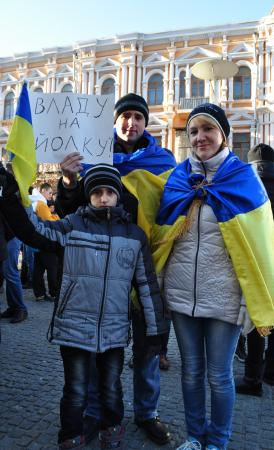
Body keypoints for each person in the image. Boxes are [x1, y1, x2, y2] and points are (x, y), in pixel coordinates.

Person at [152, 103, 274, 450]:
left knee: (219, 375)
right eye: (194, 131)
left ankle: (218, 441)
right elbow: (160, 232)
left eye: (208, 129)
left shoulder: (244, 180)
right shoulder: (177, 179)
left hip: (226, 297)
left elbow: (262, 247)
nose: (200, 137)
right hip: (183, 296)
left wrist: (252, 298)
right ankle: (195, 437)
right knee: (191, 373)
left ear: (223, 135)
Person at [7, 163, 167, 450]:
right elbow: (33, 231)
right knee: (76, 390)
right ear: (89, 196)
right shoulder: (72, 226)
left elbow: (147, 285)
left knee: (111, 388)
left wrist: (156, 333)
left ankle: (111, 431)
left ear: (118, 195)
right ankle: (70, 436)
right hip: (73, 329)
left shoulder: (134, 235)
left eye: (109, 192)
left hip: (114, 331)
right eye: (96, 192)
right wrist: (10, 195)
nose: (103, 197)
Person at [55, 93, 175, 445]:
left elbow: (173, 210)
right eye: (126, 116)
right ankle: (95, 414)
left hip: (144, 270)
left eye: (139, 117)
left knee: (147, 349)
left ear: (146, 123)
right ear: (115, 120)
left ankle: (147, 412)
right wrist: (68, 182)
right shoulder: (90, 158)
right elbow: (69, 213)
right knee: (95, 349)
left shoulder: (163, 161)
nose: (131, 123)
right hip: (98, 278)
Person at [236, 143, 274, 396]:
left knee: (256, 316)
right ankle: (271, 373)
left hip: (253, 252)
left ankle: (252, 378)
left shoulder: (247, 185)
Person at [0, 164, 56, 328]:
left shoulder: (12, 186)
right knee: (7, 272)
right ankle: (13, 306)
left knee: (10, 272)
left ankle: (20, 308)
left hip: (11, 235)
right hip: (7, 234)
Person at [32, 183, 59, 302]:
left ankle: (39, 294)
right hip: (46, 240)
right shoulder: (41, 204)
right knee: (52, 266)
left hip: (38, 240)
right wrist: (57, 217)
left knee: (38, 267)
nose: (51, 195)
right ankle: (54, 293)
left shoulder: (37, 203)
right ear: (43, 190)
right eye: (49, 193)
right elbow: (49, 221)